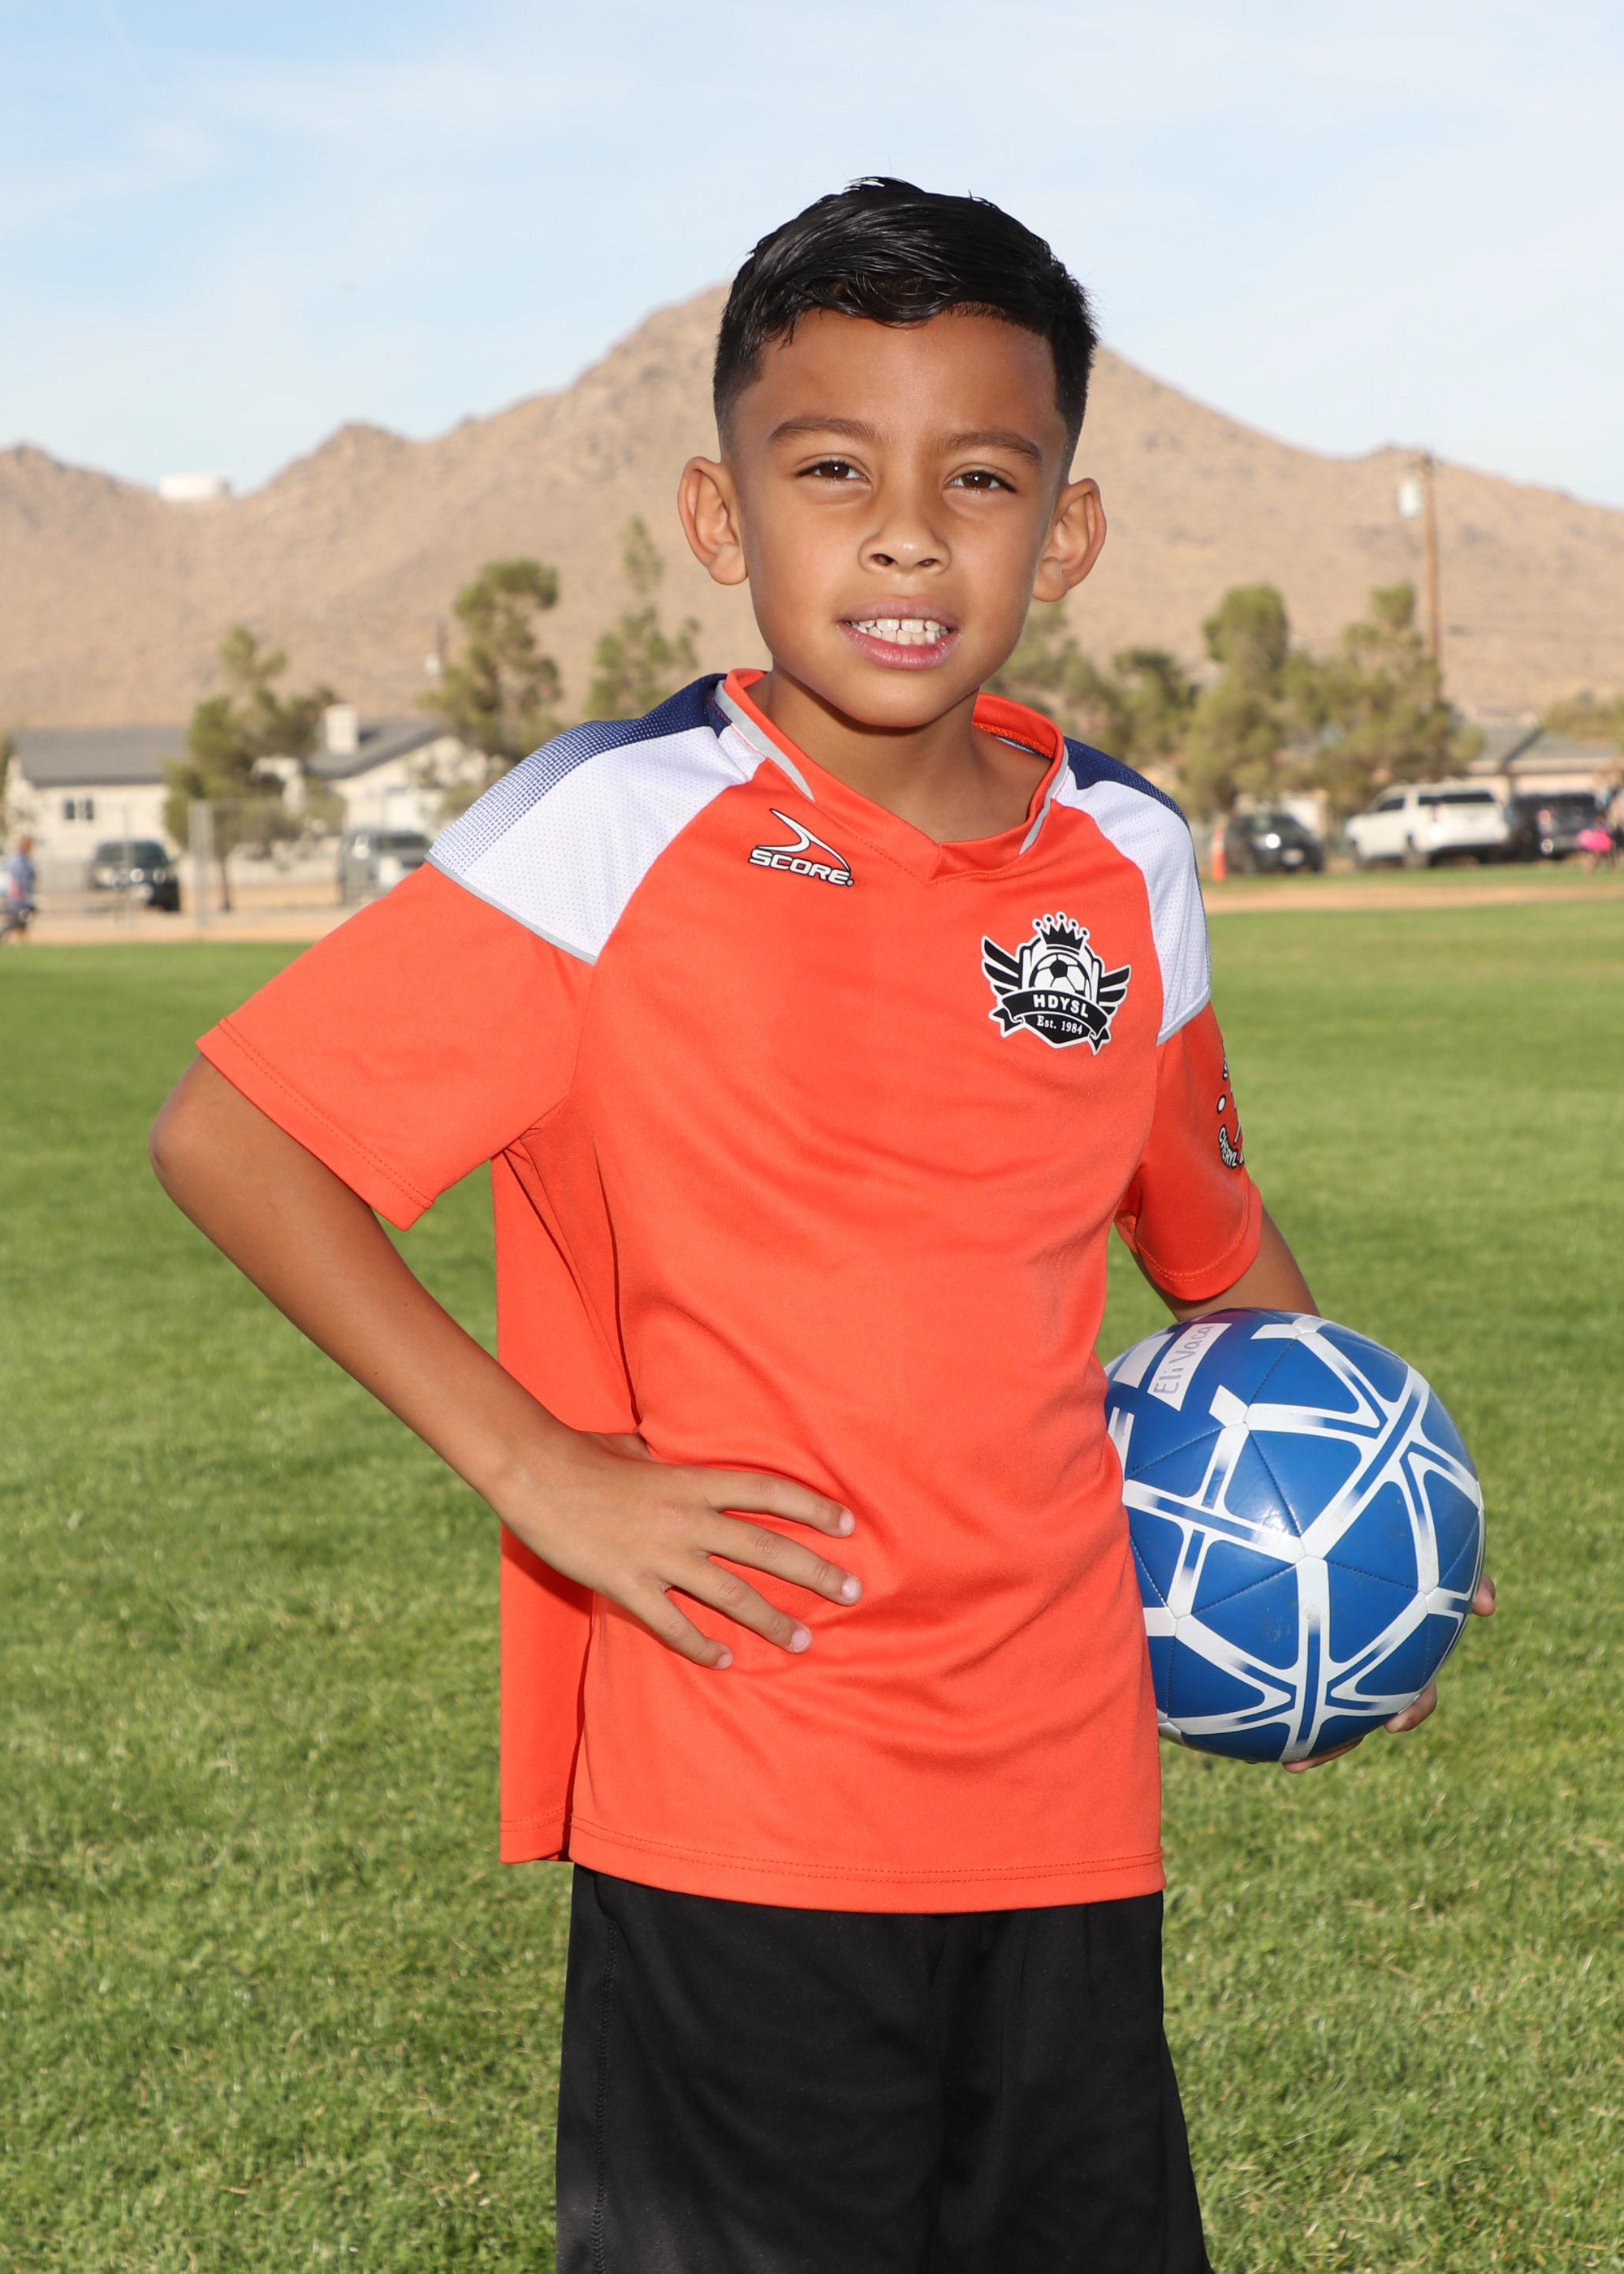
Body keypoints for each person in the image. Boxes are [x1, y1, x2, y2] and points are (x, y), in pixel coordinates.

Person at [149, 179, 1494, 2272]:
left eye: (981, 479)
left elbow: (1215, 1249)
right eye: (834, 470)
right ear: (722, 514)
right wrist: (542, 1470)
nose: (906, 537)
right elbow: (236, 1137)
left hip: (1066, 1795)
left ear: (1066, 533)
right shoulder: (615, 829)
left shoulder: (1125, 855)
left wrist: (1353, 1569)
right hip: (742, 1788)